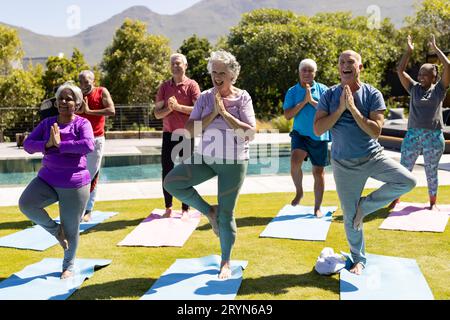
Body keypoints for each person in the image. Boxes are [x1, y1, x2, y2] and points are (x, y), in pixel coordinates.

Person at [314, 50, 417, 275]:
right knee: (351, 220)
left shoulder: (373, 94)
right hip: (343, 163)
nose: (345, 65)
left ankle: (365, 206)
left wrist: (352, 108)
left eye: (350, 62)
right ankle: (359, 259)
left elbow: (375, 131)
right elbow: (318, 128)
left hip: (373, 156)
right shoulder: (330, 95)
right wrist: (341, 108)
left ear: (359, 67)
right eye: (341, 62)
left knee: (407, 181)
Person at [163, 50, 256, 279]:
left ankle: (225, 262)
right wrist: (213, 112)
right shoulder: (205, 97)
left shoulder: (242, 97)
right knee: (172, 182)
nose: (216, 76)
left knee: (227, 215)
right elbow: (190, 130)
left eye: (222, 72)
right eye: (214, 72)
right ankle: (208, 211)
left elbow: (250, 133)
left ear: (232, 74)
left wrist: (225, 114)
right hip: (205, 158)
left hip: (233, 163)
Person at [18, 81, 94, 279]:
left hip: (75, 183)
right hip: (47, 179)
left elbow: (88, 145)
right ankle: (55, 231)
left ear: (77, 104)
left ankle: (68, 265)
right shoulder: (47, 123)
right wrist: (48, 144)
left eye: (69, 98)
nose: (63, 101)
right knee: (26, 204)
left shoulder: (82, 124)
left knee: (72, 230)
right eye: (61, 98)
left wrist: (60, 145)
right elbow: (27, 145)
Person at [392, 34, 449, 210]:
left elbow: (448, 66)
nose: (421, 76)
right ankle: (395, 199)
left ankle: (432, 203)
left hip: (433, 136)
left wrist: (435, 48)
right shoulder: (413, 88)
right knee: (404, 168)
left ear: (434, 76)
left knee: (431, 171)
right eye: (420, 74)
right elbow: (400, 70)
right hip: (413, 134)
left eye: (426, 74)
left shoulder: (440, 89)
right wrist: (408, 52)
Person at [154, 53, 201, 219]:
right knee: (167, 171)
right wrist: (169, 108)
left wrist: (178, 107)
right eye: (172, 63)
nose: (175, 66)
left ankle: (186, 209)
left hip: (187, 134)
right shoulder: (164, 87)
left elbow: (198, 110)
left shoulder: (192, 85)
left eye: (178, 63)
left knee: (186, 171)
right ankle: (168, 207)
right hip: (169, 134)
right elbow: (157, 114)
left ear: (185, 66)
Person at [283, 58, 330, 217]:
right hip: (300, 134)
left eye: (310, 70)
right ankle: (299, 191)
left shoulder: (323, 90)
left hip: (319, 135)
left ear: (315, 73)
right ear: (299, 72)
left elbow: (330, 111)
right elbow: (287, 115)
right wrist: (304, 102)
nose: (307, 73)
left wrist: (312, 101)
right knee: (295, 160)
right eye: (304, 70)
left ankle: (317, 207)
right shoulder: (292, 91)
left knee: (318, 172)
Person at [77, 70, 115, 222]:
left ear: (93, 80)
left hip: (96, 139)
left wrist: (89, 111)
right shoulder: (77, 95)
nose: (83, 85)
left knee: (91, 175)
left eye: (86, 81)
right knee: (78, 174)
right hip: (79, 140)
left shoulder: (101, 91)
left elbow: (111, 110)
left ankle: (88, 210)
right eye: (81, 82)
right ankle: (77, 207)